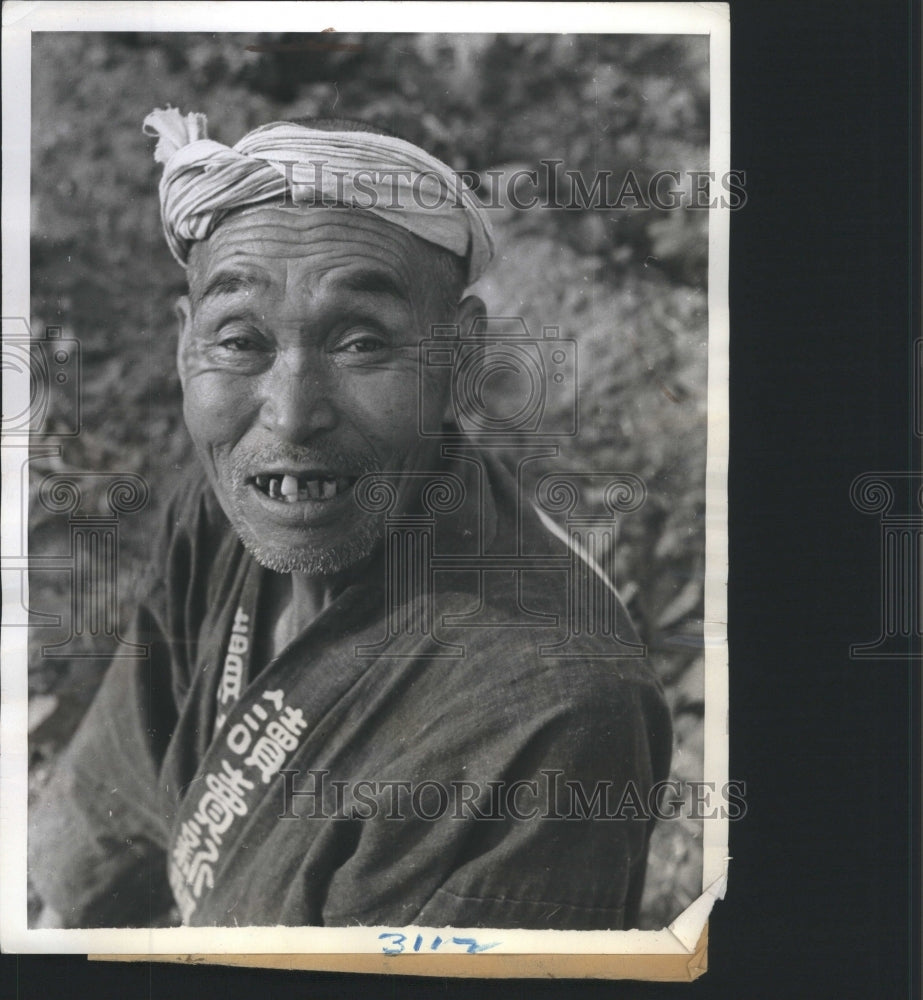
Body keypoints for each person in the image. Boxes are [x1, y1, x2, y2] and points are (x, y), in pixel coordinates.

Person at [29, 110, 672, 930]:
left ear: (460, 360)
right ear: (185, 348)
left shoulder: (550, 708)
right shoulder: (219, 513)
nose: (292, 416)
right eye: (239, 340)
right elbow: (103, 821)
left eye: (362, 343)